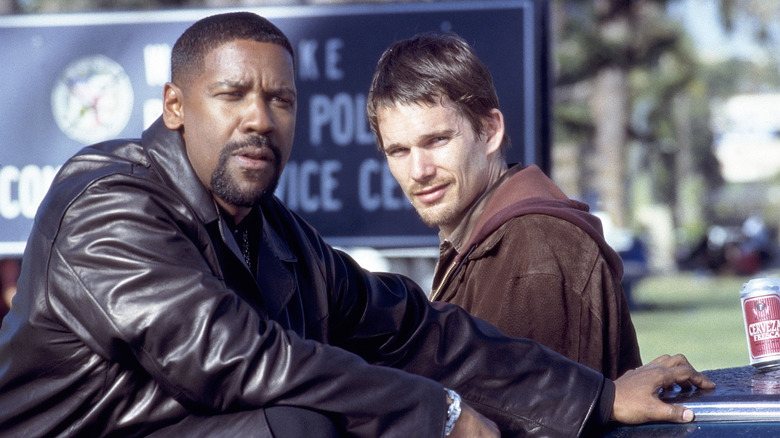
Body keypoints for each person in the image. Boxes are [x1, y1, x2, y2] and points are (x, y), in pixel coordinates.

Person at [0, 12, 712, 438]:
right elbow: (234, 358)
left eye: (280, 99)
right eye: (232, 95)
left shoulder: (276, 234)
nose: (258, 118)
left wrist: (594, 395)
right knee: (297, 424)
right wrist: (438, 414)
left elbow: (415, 329)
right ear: (176, 106)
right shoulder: (108, 204)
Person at [367, 33, 641, 379]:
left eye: (437, 141)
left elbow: (533, 424)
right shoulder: (485, 243)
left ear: (490, 130)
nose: (419, 171)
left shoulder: (535, 250)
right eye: (399, 151)